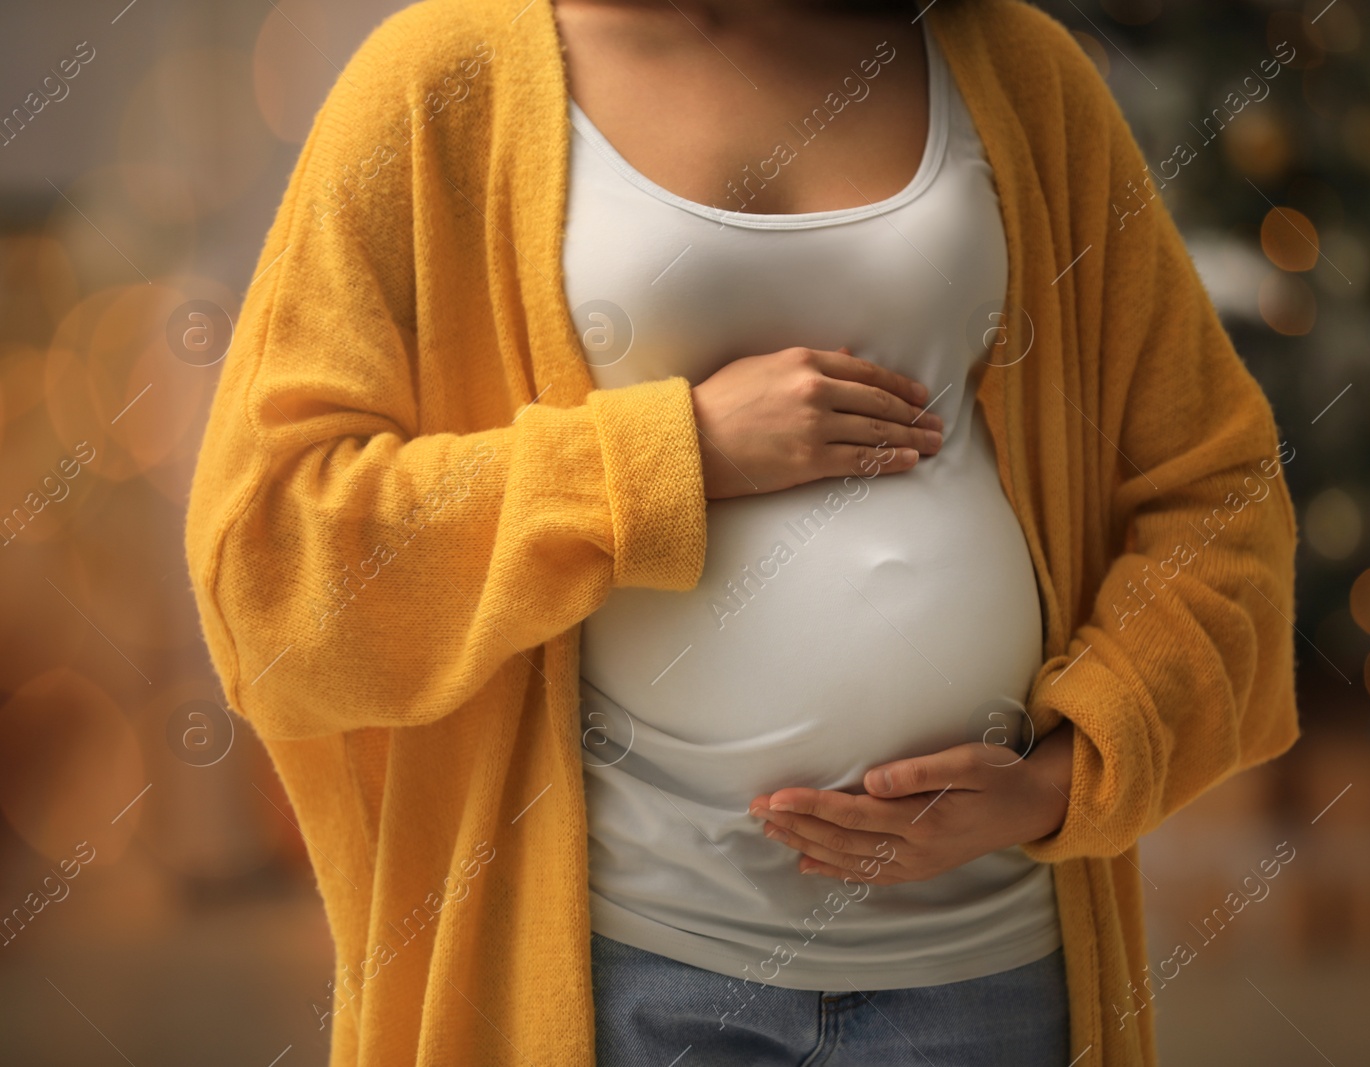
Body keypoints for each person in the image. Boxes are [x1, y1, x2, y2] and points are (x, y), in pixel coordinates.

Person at [184, 0, 1301, 1064]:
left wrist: (1060, 780)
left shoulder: (1018, 71)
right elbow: (271, 554)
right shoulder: (441, 80)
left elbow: (1222, 498)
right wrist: (673, 456)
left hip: (985, 971)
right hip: (628, 974)